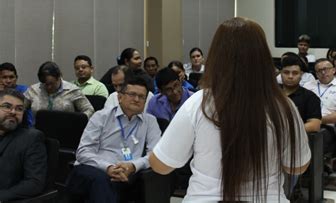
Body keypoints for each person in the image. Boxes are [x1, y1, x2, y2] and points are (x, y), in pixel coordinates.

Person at [149, 17, 310, 202]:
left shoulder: (198, 103)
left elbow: (161, 165)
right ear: (263, 57)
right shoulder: (283, 106)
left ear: (216, 56)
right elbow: (297, 167)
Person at [66, 76, 162, 202]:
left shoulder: (150, 121)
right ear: (119, 97)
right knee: (102, 180)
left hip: (127, 173)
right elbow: (83, 152)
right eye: (132, 94)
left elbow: (154, 155)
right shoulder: (101, 117)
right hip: (92, 169)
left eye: (142, 96)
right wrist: (108, 168)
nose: (137, 99)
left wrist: (133, 166)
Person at [0, 89, 47, 201]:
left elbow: (34, 183)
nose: (13, 112)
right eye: (7, 106)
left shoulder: (31, 138)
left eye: (19, 109)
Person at [24, 62, 94, 118]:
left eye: (51, 83)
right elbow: (20, 108)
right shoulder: (33, 90)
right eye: (45, 84)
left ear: (59, 77)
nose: (49, 87)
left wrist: (77, 122)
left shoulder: (72, 90)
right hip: (38, 132)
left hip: (65, 131)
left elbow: (89, 110)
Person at [280, 54, 321, 133]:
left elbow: (314, 125)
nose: (290, 76)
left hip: (296, 139)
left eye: (295, 73)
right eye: (286, 72)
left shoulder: (310, 97)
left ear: (301, 74)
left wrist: (286, 132)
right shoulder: (271, 93)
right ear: (280, 73)